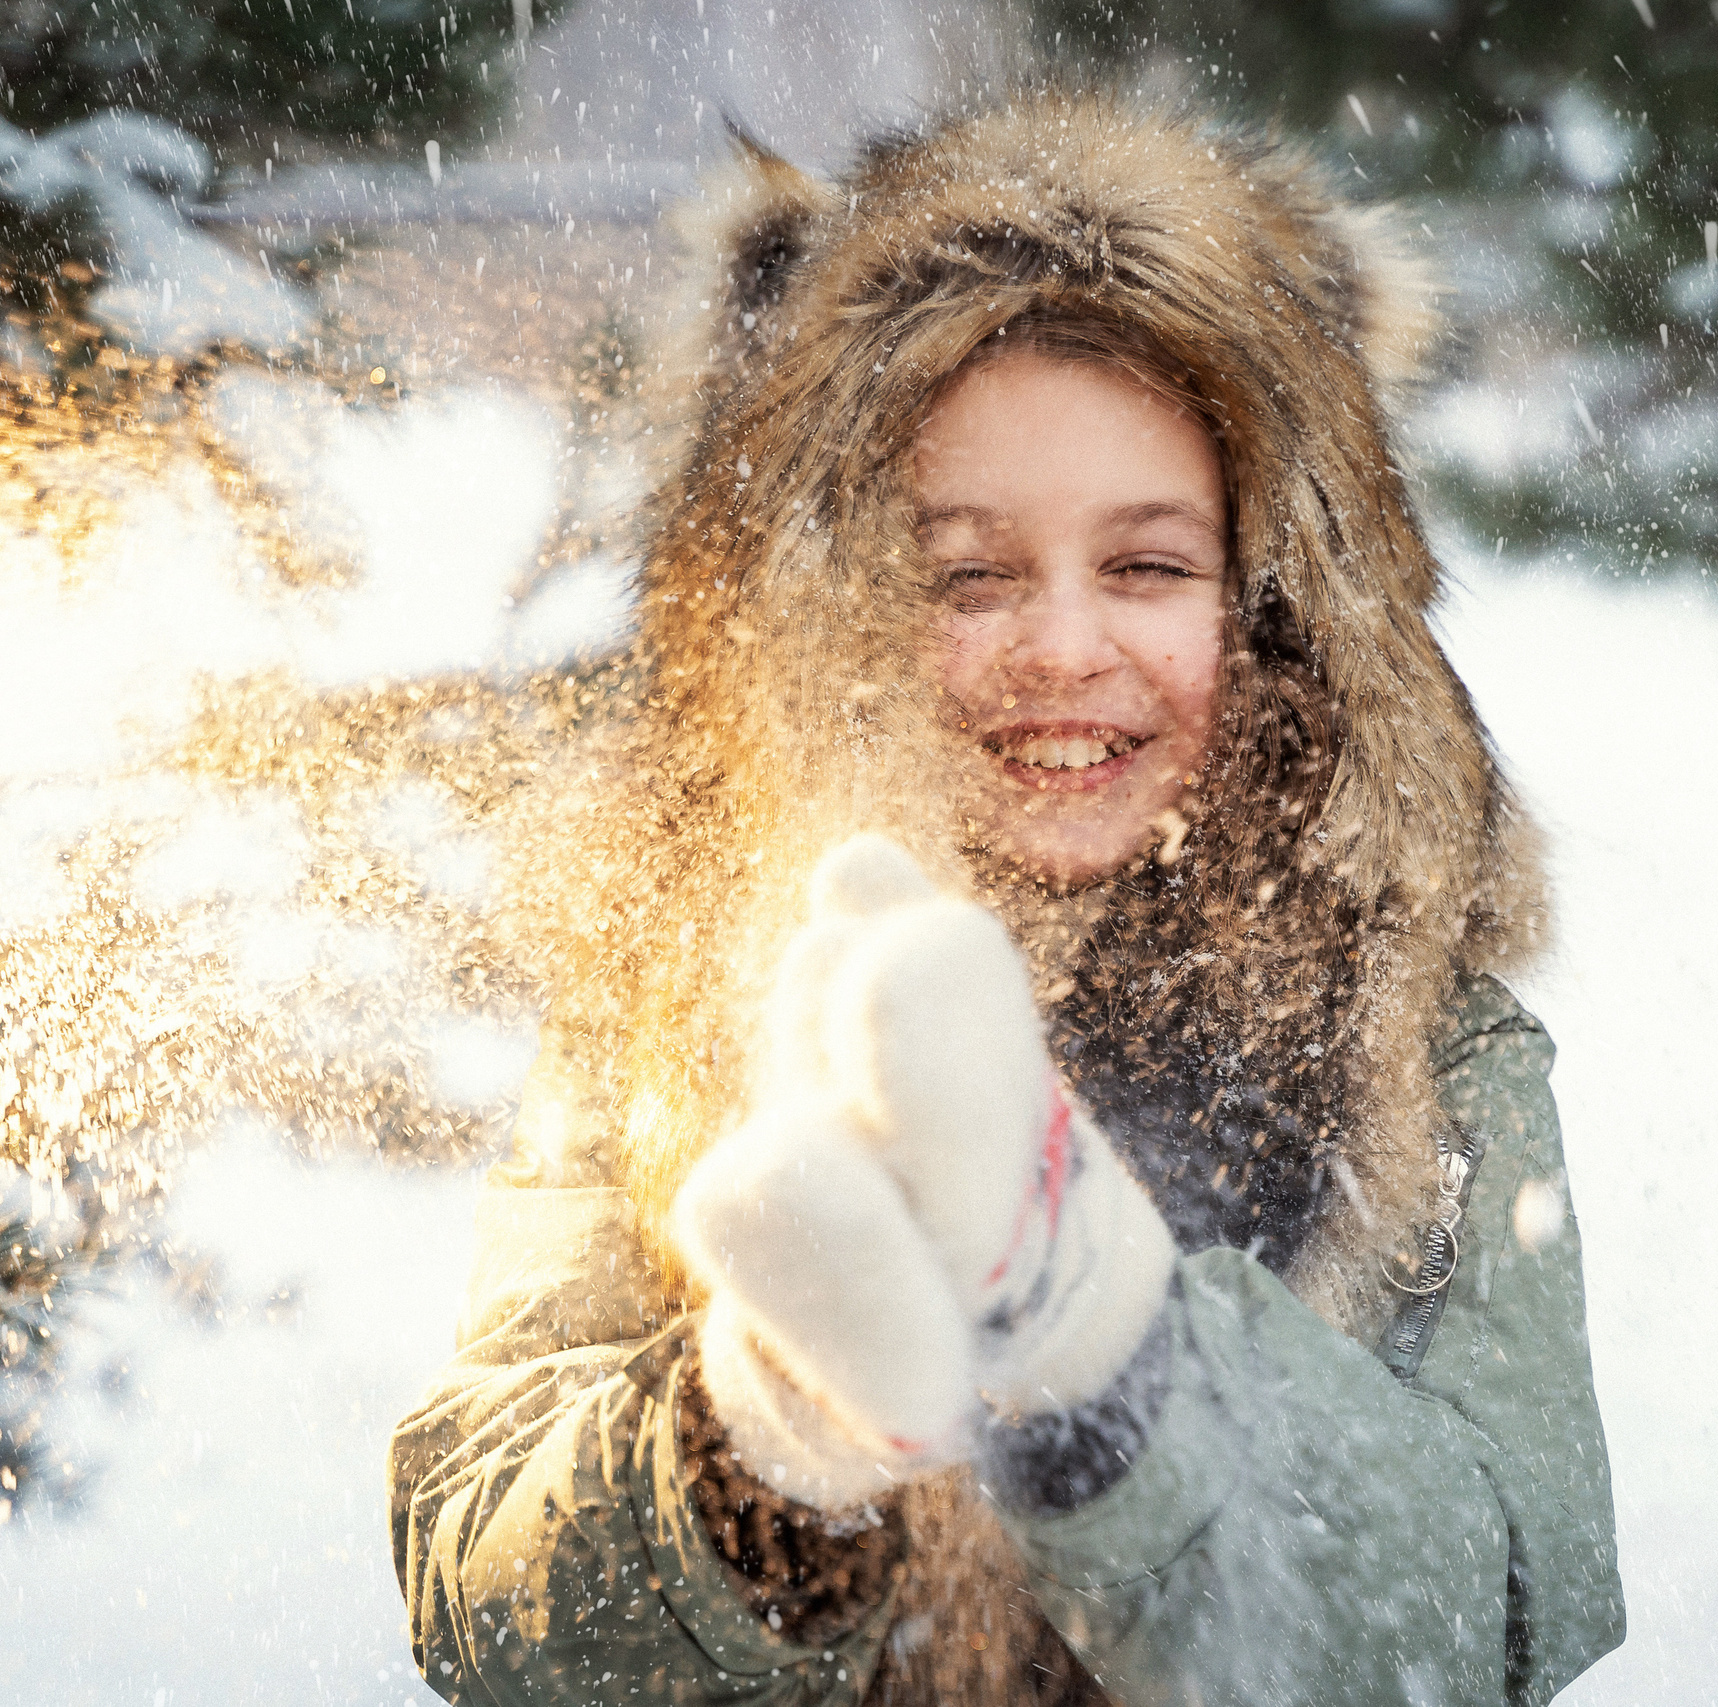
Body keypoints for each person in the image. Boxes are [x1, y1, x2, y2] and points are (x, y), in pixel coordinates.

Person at [390, 90, 1623, 1707]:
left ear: (1271, 598)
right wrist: (761, 1448)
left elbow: (1495, 1615)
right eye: (969, 574)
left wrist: (1094, 1345)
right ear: (840, 604)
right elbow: (476, 1592)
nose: (1063, 648)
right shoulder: (678, 993)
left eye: (1148, 568)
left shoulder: (1417, 1043)